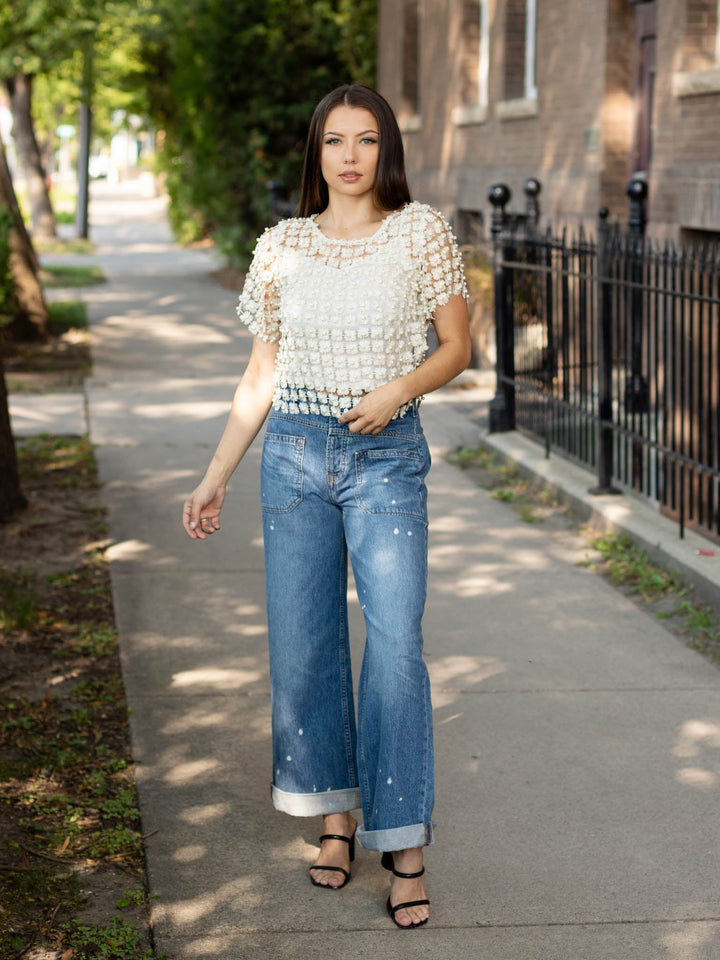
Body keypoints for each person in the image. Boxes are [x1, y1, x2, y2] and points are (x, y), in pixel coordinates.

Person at [182, 83, 470, 929]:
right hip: (297, 456)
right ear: (316, 153)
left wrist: (397, 391)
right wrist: (216, 474)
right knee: (305, 645)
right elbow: (262, 374)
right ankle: (336, 818)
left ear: (388, 151)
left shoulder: (421, 234)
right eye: (335, 141)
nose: (350, 156)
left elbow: (457, 347)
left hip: (385, 455)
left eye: (367, 140)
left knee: (394, 647)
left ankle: (405, 843)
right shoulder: (282, 247)